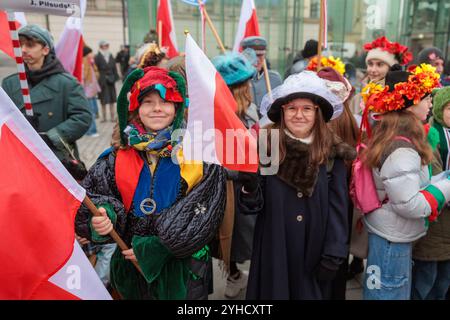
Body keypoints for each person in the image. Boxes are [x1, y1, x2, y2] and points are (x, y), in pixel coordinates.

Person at [75, 66, 226, 300]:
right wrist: (105, 217)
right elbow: (93, 197)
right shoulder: (115, 158)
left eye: (165, 102)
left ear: (177, 108)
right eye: (147, 102)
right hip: (130, 269)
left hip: (183, 270)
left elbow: (204, 214)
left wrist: (154, 249)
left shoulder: (200, 154)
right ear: (136, 108)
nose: (157, 108)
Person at [239, 71, 356, 300]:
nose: (298, 115)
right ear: (282, 112)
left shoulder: (332, 153)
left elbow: (338, 207)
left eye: (307, 109)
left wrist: (334, 251)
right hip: (275, 249)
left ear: (317, 113)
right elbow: (253, 205)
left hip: (314, 253)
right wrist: (250, 187)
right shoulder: (268, 146)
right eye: (292, 108)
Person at [360, 64, 448, 300]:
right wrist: (447, 185)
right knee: (387, 294)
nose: (430, 104)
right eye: (426, 98)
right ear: (409, 104)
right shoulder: (402, 148)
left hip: (388, 235)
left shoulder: (392, 135)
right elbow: (409, 204)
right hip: (393, 240)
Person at [1, 24, 91, 181]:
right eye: (20, 45)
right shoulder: (10, 84)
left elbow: (82, 117)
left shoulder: (67, 83)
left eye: (30, 45)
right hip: (21, 158)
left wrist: (50, 137)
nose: (23, 50)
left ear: (45, 49)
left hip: (56, 159)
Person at [212, 52, 259, 299]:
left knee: (240, 238)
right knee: (232, 237)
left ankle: (236, 275)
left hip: (246, 185)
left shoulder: (248, 112)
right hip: (233, 190)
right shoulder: (220, 116)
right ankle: (234, 276)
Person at [412, 86, 450, 300]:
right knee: (426, 279)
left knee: (444, 280)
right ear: (437, 109)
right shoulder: (431, 136)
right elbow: (432, 174)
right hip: (435, 222)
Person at [240, 36, 282, 112]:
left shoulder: (275, 79)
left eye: (260, 55)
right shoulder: (238, 80)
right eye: (251, 56)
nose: (256, 60)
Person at [95, 40, 119, 122]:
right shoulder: (97, 56)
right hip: (102, 80)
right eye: (104, 46)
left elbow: (114, 68)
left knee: (112, 99)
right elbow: (96, 69)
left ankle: (112, 117)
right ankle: (104, 117)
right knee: (103, 100)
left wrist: (116, 77)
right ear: (101, 46)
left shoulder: (110, 55)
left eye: (107, 45)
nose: (106, 47)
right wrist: (98, 79)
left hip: (111, 80)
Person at [82, 46, 101, 137]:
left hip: (92, 92)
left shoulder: (91, 63)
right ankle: (91, 131)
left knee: (93, 111)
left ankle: (90, 130)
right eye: (90, 53)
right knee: (91, 112)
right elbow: (84, 77)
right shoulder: (84, 63)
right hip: (87, 93)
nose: (92, 54)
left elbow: (96, 75)